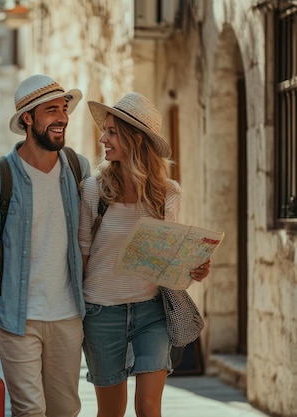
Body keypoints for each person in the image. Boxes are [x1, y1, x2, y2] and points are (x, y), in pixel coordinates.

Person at [0, 74, 91, 417]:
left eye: (64, 109)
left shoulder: (78, 169)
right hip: (17, 315)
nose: (62, 117)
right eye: (51, 110)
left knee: (64, 410)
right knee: (29, 410)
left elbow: (100, 231)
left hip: (69, 313)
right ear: (28, 119)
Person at [79, 92, 211, 417]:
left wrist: (192, 269)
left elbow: (168, 262)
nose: (102, 139)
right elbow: (80, 257)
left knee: (149, 407)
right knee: (111, 411)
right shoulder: (93, 191)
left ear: (134, 138)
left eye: (111, 132)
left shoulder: (168, 194)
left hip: (151, 312)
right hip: (101, 314)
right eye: (104, 130)